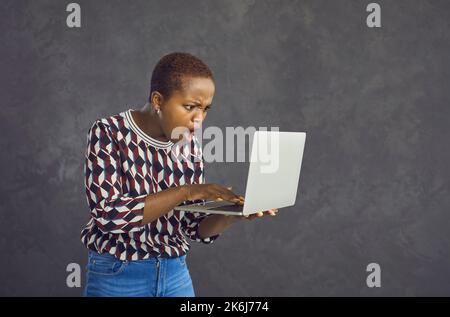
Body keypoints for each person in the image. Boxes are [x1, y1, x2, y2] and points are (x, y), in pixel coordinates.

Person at [81, 52, 278, 297]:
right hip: (119, 274)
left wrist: (234, 214)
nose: (199, 120)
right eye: (190, 107)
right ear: (157, 100)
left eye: (205, 109)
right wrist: (187, 191)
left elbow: (193, 227)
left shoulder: (189, 145)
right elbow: (109, 216)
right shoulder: (108, 133)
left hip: (175, 274)